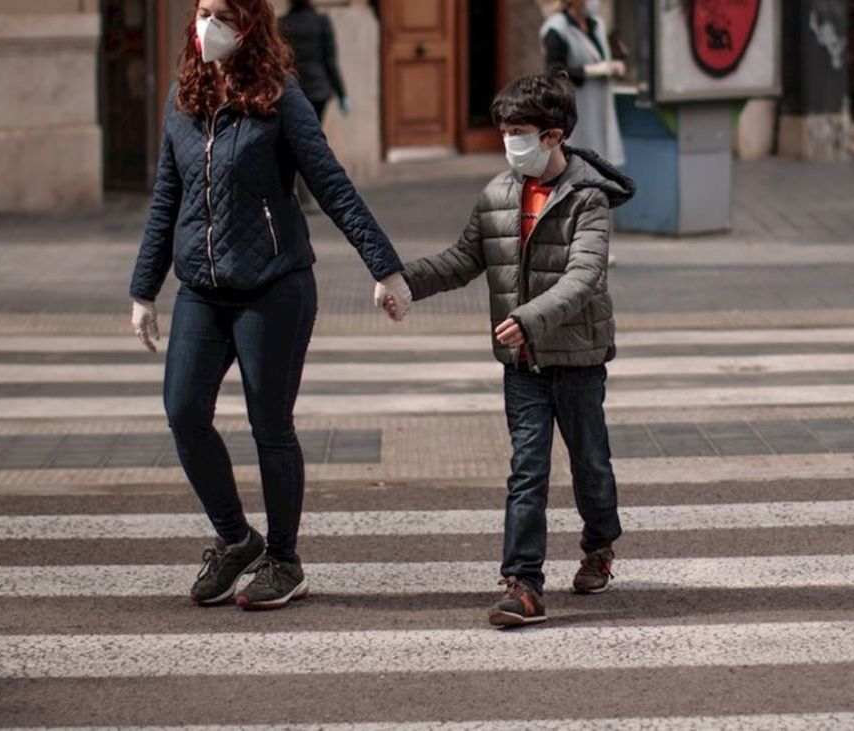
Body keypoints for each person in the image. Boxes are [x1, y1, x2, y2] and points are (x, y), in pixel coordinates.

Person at [129, 0, 410, 612]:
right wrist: (143, 289)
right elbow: (164, 201)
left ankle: (285, 560)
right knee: (183, 411)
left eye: (222, 14)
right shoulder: (183, 100)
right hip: (202, 289)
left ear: (250, 25)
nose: (208, 26)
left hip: (274, 286)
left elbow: (331, 184)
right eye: (203, 12)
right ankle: (236, 539)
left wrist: (385, 267)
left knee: (270, 426)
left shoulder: (281, 97)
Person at [397, 70, 635, 626]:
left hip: (577, 359)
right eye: (504, 130)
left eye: (520, 131)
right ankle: (522, 582)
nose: (510, 142)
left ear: (553, 135)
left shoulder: (588, 200)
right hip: (523, 365)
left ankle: (600, 542)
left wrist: (527, 318)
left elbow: (584, 278)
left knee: (590, 466)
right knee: (527, 469)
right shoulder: (498, 194)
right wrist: (406, 282)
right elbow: (462, 259)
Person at [279, 0, 349, 213]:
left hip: (292, 91)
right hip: (319, 91)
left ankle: (305, 197)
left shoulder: (282, 24)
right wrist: (342, 94)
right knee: (308, 144)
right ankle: (309, 196)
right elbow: (330, 60)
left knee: (294, 146)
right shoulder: (321, 22)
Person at [541, 0, 625, 167]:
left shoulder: (596, 25)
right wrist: (589, 71)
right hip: (577, 107)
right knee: (579, 163)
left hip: (601, 105)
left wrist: (614, 65)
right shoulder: (556, 29)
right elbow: (554, 71)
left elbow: (602, 55)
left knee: (603, 163)